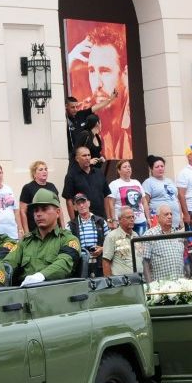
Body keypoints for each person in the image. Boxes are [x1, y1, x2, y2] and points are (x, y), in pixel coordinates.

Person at [67, 25, 131, 160]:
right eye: (91, 71)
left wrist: (110, 99)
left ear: (124, 74)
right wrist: (68, 62)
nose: (97, 83)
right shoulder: (81, 113)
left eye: (104, 71)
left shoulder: (129, 123)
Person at [4, 189, 81, 285]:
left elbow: (64, 263)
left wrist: (41, 276)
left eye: (44, 209)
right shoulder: (25, 241)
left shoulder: (68, 239)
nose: (38, 214)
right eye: (36, 210)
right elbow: (7, 265)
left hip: (54, 293)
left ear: (57, 213)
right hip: (24, 293)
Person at [61, 147, 107, 227]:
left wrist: (109, 219)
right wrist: (73, 222)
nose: (87, 158)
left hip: (100, 219)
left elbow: (106, 195)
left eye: (89, 155)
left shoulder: (99, 173)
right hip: (81, 221)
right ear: (77, 158)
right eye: (84, 155)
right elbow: (69, 201)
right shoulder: (71, 176)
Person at [141, 204, 184, 282]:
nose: (170, 216)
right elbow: (145, 262)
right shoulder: (149, 235)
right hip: (160, 287)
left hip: (180, 285)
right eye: (166, 214)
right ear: (157, 217)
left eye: (171, 214)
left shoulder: (178, 235)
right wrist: (151, 286)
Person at [68, 193, 107, 278]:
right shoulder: (70, 225)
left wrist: (102, 249)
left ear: (88, 203)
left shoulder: (101, 221)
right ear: (75, 207)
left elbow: (111, 243)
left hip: (100, 264)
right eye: (78, 204)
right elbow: (68, 248)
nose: (81, 205)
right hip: (81, 265)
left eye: (83, 202)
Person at [19, 160, 61, 234]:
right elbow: (23, 211)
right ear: (34, 174)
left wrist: (63, 227)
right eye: (41, 170)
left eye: (46, 169)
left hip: (53, 229)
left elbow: (59, 208)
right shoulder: (28, 188)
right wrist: (26, 232)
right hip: (35, 230)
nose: (44, 171)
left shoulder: (52, 186)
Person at [107, 160, 147, 234]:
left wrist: (148, 218)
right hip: (123, 222)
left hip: (140, 220)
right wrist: (113, 220)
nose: (128, 168)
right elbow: (111, 204)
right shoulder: (114, 184)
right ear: (119, 170)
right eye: (125, 167)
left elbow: (144, 201)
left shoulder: (137, 182)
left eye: (129, 166)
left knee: (140, 244)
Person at [102, 207, 138, 277]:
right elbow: (106, 261)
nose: (132, 219)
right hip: (121, 282)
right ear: (119, 220)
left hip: (138, 279)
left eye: (133, 217)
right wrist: (110, 283)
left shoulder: (136, 235)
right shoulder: (112, 236)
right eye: (128, 217)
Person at [142, 155, 178, 221]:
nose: (160, 168)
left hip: (175, 219)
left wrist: (180, 218)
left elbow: (176, 200)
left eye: (162, 166)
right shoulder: (148, 182)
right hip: (159, 221)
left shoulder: (169, 181)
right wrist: (149, 219)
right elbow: (145, 203)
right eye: (157, 167)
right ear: (151, 169)